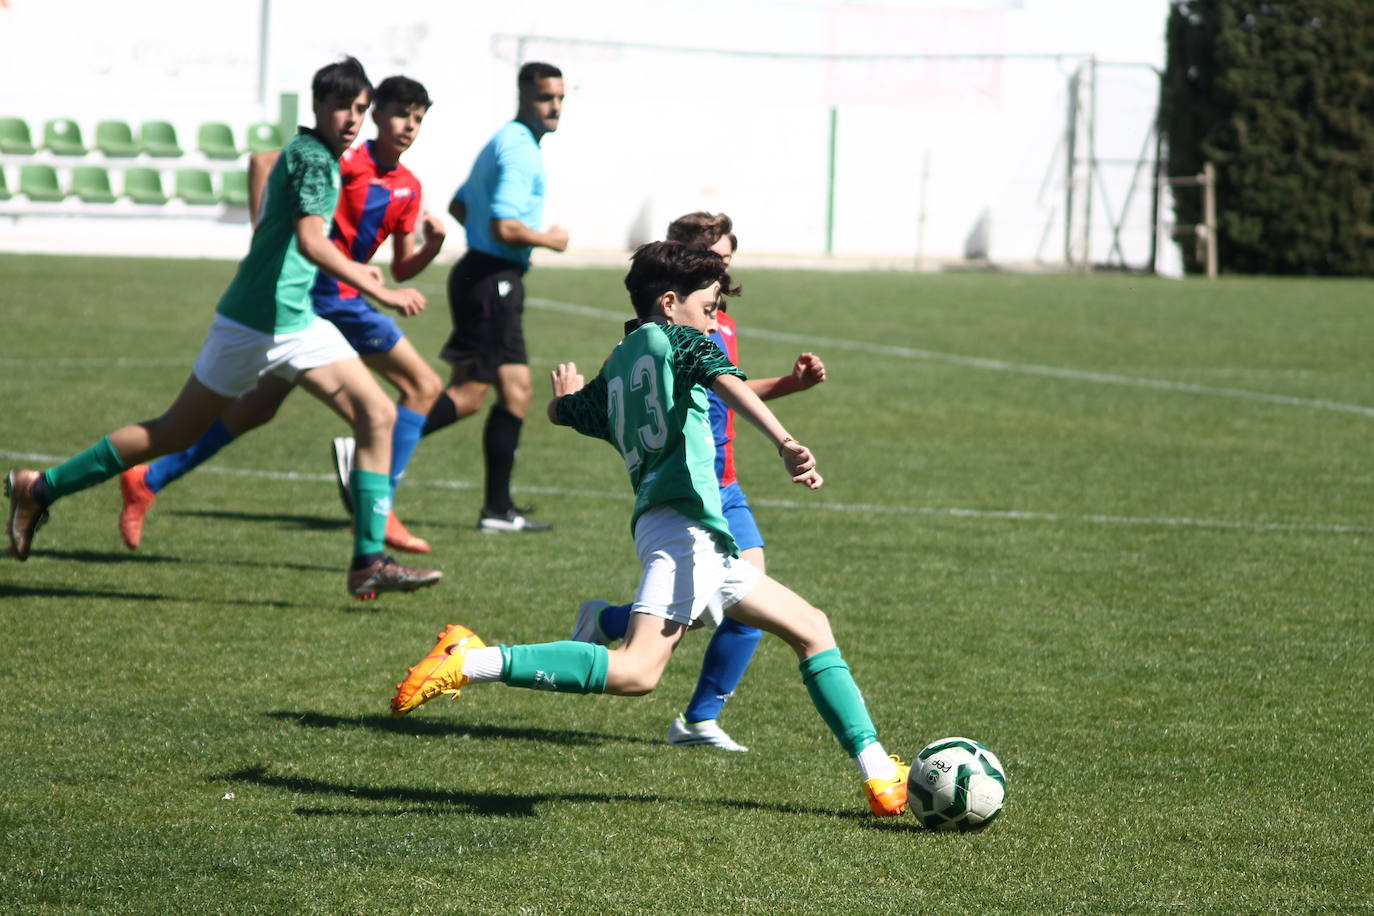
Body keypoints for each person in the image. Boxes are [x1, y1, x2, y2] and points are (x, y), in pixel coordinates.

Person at [389, 241, 909, 818]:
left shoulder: (619, 365)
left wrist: (562, 402)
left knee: (812, 627)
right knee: (637, 672)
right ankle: (471, 658)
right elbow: (727, 382)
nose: (715, 322)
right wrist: (786, 443)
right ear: (669, 302)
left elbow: (568, 413)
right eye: (711, 308)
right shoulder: (679, 339)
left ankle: (880, 771)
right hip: (685, 533)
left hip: (682, 530)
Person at [4, 57, 442, 600]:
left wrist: (274, 236)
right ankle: (39, 487)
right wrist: (377, 288)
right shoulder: (312, 161)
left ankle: (368, 562)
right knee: (173, 432)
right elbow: (311, 241)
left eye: (358, 108)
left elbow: (288, 219)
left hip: (298, 319)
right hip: (254, 325)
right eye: (341, 108)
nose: (351, 119)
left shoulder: (324, 156)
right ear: (318, 107)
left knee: (377, 413)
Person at [118, 75, 447, 556]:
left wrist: (432, 247)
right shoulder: (346, 158)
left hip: (343, 301)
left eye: (418, 119)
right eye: (400, 114)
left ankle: (149, 478)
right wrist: (262, 231)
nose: (409, 126)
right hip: (322, 297)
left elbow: (400, 265)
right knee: (421, 387)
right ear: (375, 113)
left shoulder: (408, 186)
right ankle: (380, 509)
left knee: (257, 407)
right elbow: (262, 162)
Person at [572, 212, 827, 753]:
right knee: (735, 607)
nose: (723, 273)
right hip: (687, 487)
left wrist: (789, 384)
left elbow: (730, 385)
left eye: (728, 261)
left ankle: (692, 710)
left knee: (741, 606)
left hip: (725, 482)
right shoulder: (663, 336)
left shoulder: (717, 321)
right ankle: (684, 706)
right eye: (714, 263)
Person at [408, 61, 570, 534]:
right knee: (468, 394)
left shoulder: (506, 141)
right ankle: (376, 443)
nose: (555, 106)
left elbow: (462, 205)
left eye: (560, 98)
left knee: (517, 391)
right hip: (492, 279)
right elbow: (504, 226)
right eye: (545, 98)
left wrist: (487, 240)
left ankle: (498, 511)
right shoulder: (519, 152)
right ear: (523, 96)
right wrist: (548, 240)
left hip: (489, 275)